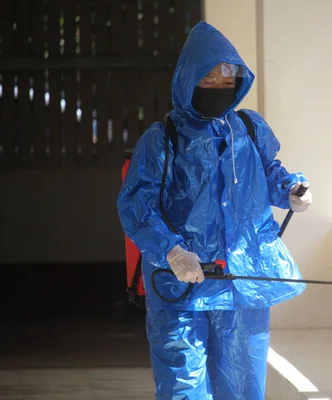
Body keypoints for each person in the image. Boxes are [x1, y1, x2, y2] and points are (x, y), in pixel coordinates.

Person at [116, 21, 312, 399]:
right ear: (188, 79)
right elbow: (136, 204)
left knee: (242, 385)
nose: (221, 87)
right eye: (209, 79)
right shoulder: (162, 140)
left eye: (228, 79)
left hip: (243, 282)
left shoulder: (249, 129)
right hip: (182, 286)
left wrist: (290, 191)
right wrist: (171, 250)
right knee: (183, 387)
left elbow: (270, 171)